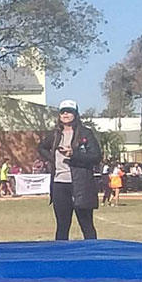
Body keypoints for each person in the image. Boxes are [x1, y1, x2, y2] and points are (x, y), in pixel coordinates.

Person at [37, 100, 102, 241]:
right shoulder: (55, 134)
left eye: (69, 111)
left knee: (86, 224)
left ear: (75, 114)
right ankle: (61, 256)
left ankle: (92, 254)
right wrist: (53, 159)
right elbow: (41, 147)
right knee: (62, 225)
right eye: (63, 112)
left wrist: (74, 154)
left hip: (81, 184)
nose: (65, 114)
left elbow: (96, 157)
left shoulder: (86, 133)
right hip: (60, 184)